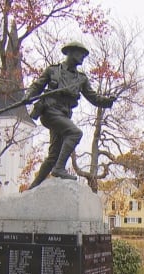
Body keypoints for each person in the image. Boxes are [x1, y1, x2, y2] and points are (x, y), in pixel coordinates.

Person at [24, 41, 116, 186]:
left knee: (53, 156)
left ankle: (31, 189)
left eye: (84, 56)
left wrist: (107, 101)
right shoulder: (53, 70)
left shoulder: (81, 79)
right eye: (81, 54)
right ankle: (59, 168)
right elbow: (37, 86)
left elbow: (93, 98)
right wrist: (27, 96)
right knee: (75, 133)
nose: (82, 58)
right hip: (50, 110)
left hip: (64, 114)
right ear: (71, 53)